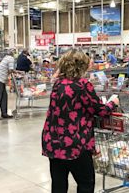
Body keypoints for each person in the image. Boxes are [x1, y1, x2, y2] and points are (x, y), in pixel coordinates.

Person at [42, 49, 119, 193]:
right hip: (75, 144)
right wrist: (113, 103)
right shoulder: (83, 85)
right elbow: (100, 110)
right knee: (86, 183)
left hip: (53, 142)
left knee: (58, 185)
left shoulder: (58, 84)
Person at [0, 49, 15, 120]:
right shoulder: (11, 59)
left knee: (4, 96)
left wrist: (16, 72)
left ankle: (4, 113)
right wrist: (16, 73)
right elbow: (10, 70)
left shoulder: (6, 58)